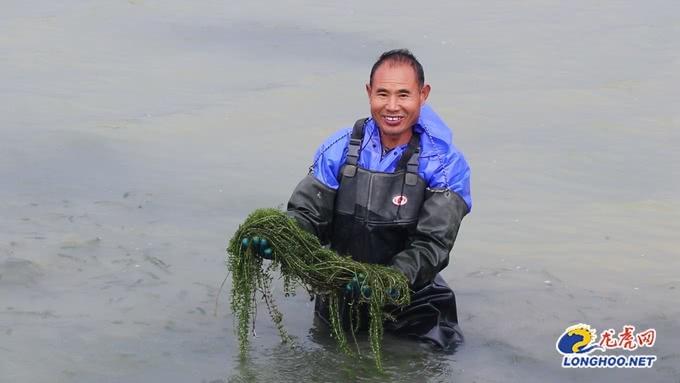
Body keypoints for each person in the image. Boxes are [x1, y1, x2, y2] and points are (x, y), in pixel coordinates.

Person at [259, 49, 472, 349]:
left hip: (415, 310)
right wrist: (283, 237)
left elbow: (432, 245)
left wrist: (389, 281)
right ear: (369, 92)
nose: (392, 106)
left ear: (423, 94)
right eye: (382, 94)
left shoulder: (446, 164)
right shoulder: (339, 148)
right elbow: (308, 215)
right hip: (341, 297)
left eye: (404, 95)